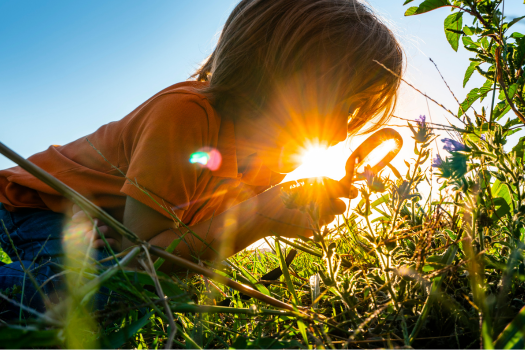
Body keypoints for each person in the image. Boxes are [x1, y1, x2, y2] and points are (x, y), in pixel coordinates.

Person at [0, 0, 403, 318]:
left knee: (154, 291)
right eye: (339, 106)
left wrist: (283, 212)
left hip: (111, 228)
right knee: (102, 293)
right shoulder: (186, 116)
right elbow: (146, 257)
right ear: (277, 73)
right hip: (33, 202)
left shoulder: (271, 158)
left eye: (354, 116)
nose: (339, 133)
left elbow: (197, 238)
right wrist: (261, 215)